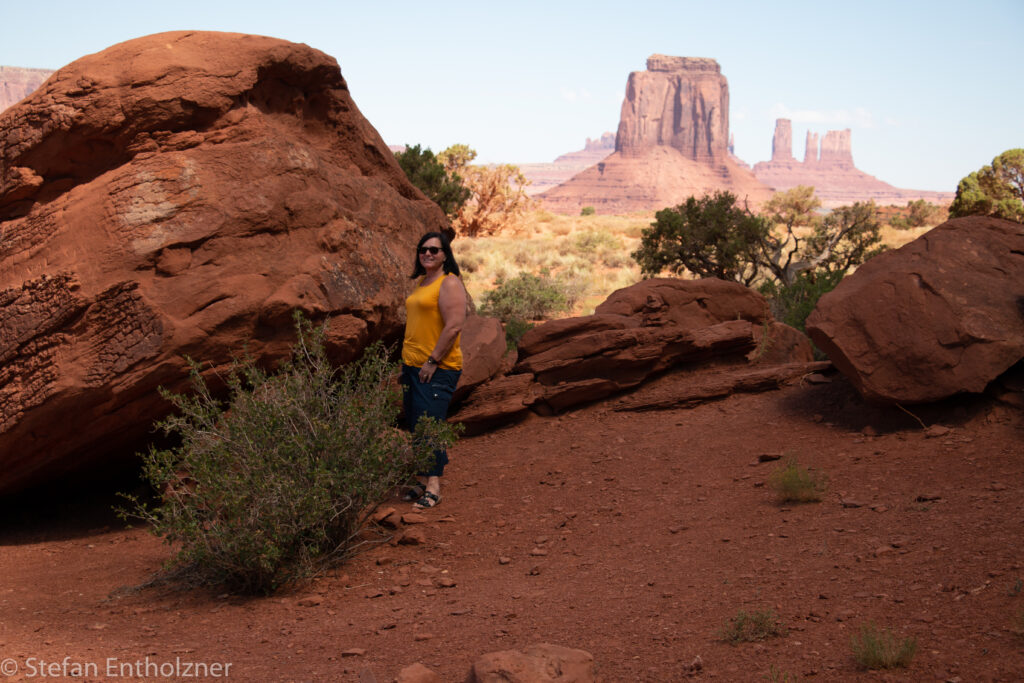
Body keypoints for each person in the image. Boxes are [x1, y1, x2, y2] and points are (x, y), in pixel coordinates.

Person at [400, 231, 466, 509]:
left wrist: (433, 360)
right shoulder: (422, 282)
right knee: (417, 423)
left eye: (434, 250)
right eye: (423, 250)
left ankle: (434, 486)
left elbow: (454, 326)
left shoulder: (449, 282)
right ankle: (422, 477)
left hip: (437, 367)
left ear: (445, 255)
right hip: (413, 365)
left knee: (430, 425)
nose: (427, 254)